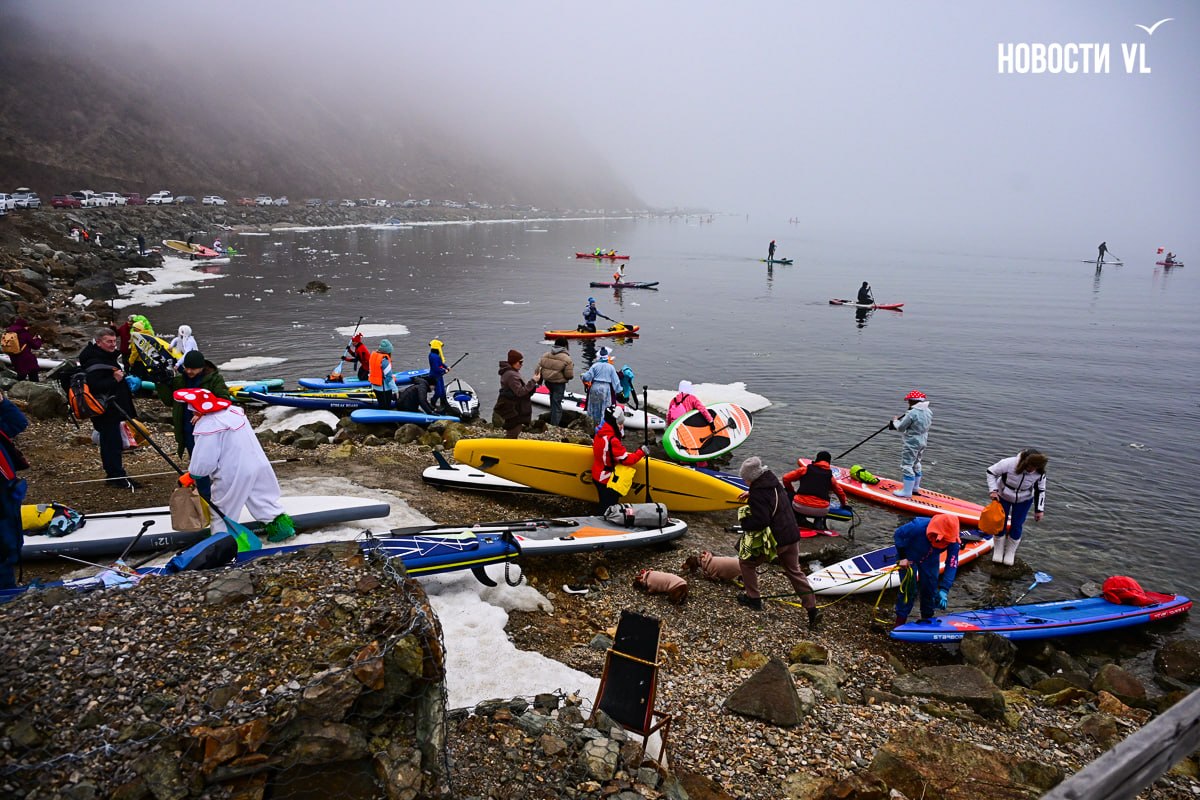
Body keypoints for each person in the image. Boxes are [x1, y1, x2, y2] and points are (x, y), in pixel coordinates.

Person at [176, 388, 294, 542]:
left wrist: (193, 474)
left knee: (223, 510)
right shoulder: (233, 412)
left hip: (232, 472)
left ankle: (222, 542)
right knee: (263, 500)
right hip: (257, 464)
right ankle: (283, 531)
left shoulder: (208, 426)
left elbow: (205, 461)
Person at [733, 456, 822, 628]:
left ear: (751, 478)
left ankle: (753, 599)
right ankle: (812, 609)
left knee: (746, 563)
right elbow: (772, 499)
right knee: (794, 571)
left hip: (777, 540)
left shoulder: (758, 493)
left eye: (745, 479)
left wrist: (744, 522)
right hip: (792, 534)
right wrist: (751, 494)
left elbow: (761, 521)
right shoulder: (773, 482)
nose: (745, 482)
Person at [156, 350, 230, 500]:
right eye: (187, 368)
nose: (189, 371)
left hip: (210, 433)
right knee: (198, 466)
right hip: (188, 431)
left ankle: (220, 498)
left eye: (193, 369)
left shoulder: (214, 379)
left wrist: (203, 411)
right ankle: (204, 499)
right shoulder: (180, 380)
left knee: (216, 466)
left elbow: (224, 399)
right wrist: (161, 382)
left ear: (202, 367)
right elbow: (169, 401)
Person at [79, 327, 140, 489]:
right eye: (109, 342)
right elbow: (95, 386)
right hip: (106, 410)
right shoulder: (94, 360)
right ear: (99, 342)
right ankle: (116, 476)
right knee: (111, 443)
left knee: (112, 442)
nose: (113, 344)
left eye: (114, 341)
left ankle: (115, 474)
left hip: (111, 409)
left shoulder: (104, 356)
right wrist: (115, 380)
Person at [893, 513, 961, 626]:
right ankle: (899, 623)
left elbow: (952, 564)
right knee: (908, 590)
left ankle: (927, 621)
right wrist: (902, 557)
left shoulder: (954, 540)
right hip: (909, 557)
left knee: (930, 589)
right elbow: (898, 535)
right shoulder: (918, 526)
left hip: (930, 560)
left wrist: (944, 589)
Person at [986, 449, 1049, 566]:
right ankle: (998, 551)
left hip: (1024, 499)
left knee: (1017, 524)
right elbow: (991, 472)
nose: (1032, 470)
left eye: (1035, 467)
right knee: (1000, 522)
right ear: (1024, 462)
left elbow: (1040, 490)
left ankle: (1010, 553)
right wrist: (993, 490)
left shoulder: (1040, 473)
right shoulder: (1009, 463)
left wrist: (1039, 510)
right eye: (1030, 466)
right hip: (1003, 495)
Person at [591, 405, 647, 514]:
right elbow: (626, 460)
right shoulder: (612, 440)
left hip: (597, 474)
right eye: (620, 424)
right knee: (609, 507)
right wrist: (641, 451)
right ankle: (603, 521)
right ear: (613, 423)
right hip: (607, 479)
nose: (622, 426)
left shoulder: (600, 432)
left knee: (603, 503)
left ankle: (600, 517)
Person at [0, 387, 30, 589]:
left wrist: (2, 403)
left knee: (9, 543)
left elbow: (18, 423)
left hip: (6, 492)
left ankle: (7, 589)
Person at [780, 451, 849, 527]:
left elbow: (786, 478)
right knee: (822, 503)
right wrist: (844, 505)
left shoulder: (805, 470)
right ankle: (818, 523)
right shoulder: (830, 476)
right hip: (821, 510)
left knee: (787, 493)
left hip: (800, 507)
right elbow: (840, 492)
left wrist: (791, 490)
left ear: (817, 459)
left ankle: (798, 519)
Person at [888, 390, 932, 498]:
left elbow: (901, 428)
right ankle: (915, 488)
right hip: (923, 440)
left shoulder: (912, 413)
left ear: (912, 401)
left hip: (912, 441)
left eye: (908, 401)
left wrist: (895, 421)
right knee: (916, 463)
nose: (908, 403)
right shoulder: (928, 411)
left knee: (907, 465)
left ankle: (907, 492)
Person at [493, 349, 537, 438]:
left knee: (514, 429)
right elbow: (520, 392)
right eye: (520, 362)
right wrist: (533, 381)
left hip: (512, 407)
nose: (521, 364)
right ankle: (507, 445)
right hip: (513, 408)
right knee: (514, 430)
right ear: (514, 362)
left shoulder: (510, 372)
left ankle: (507, 444)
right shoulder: (511, 375)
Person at [536, 337, 575, 426]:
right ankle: (555, 426)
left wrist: (540, 381)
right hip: (559, 384)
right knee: (557, 404)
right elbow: (569, 375)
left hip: (548, 382)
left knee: (553, 402)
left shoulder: (545, 355)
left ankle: (551, 422)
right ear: (565, 345)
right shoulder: (567, 359)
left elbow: (538, 369)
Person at [581, 346, 621, 427]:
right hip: (605, 388)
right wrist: (619, 391)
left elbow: (587, 377)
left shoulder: (595, 366)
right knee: (604, 407)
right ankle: (602, 425)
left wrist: (583, 376)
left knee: (593, 405)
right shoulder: (611, 367)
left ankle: (592, 424)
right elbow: (616, 382)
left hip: (595, 386)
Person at [3, 318, 44, 382]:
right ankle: (34, 386)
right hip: (25, 357)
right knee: (33, 372)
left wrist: (31, 339)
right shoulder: (24, 333)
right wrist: (38, 339)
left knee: (21, 373)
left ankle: (17, 385)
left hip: (14, 357)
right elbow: (36, 346)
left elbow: (21, 342)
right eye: (26, 326)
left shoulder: (8, 333)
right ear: (23, 326)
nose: (27, 328)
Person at [369, 339, 396, 410]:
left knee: (381, 404)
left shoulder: (374, 356)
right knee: (386, 407)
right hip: (384, 389)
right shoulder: (385, 360)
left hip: (375, 387)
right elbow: (389, 378)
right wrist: (395, 390)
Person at [427, 339, 450, 411]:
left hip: (439, 375)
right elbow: (435, 368)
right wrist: (444, 370)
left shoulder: (436, 355)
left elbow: (440, 363)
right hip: (435, 376)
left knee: (442, 391)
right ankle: (432, 402)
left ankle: (443, 404)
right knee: (438, 392)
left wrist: (446, 367)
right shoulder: (433, 356)